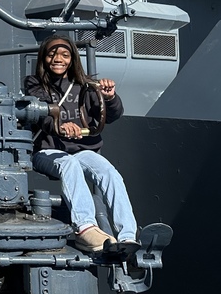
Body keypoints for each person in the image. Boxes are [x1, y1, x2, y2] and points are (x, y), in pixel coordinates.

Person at [23, 34, 139, 253]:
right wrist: (60, 125)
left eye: (65, 55)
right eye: (52, 54)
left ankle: (128, 236)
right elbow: (41, 113)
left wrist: (110, 97)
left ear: (72, 59)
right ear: (44, 58)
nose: (58, 59)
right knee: (70, 165)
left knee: (108, 171)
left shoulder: (85, 85)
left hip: (82, 150)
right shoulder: (34, 84)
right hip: (47, 151)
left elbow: (112, 115)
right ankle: (85, 228)